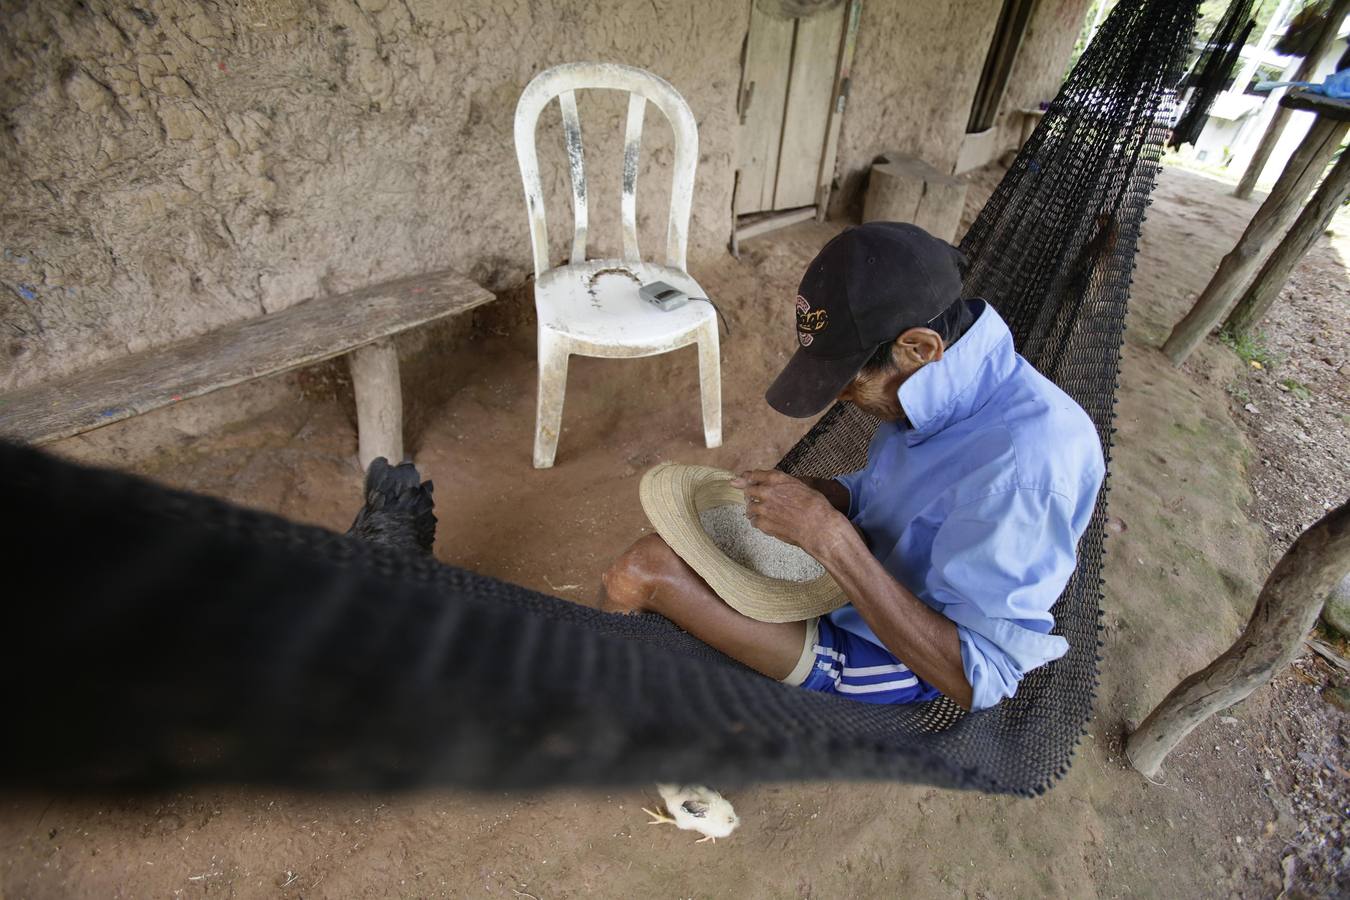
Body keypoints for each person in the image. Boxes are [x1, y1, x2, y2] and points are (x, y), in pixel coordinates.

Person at [600, 222, 1104, 712]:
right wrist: (832, 494)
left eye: (848, 380)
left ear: (919, 348)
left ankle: (589, 711)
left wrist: (829, 538)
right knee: (685, 543)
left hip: (902, 654)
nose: (840, 397)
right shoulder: (940, 390)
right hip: (852, 578)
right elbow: (907, 501)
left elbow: (978, 675)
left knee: (642, 572)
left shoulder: (1026, 470)